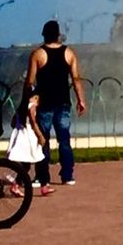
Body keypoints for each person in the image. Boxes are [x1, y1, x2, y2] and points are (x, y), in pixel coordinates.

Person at [24, 20, 86, 192]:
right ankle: (67, 175)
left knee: (42, 140)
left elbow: (29, 81)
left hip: (44, 103)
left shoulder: (38, 54)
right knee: (64, 139)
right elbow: (76, 79)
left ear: (44, 34)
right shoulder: (69, 53)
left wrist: (27, 102)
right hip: (64, 102)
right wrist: (81, 99)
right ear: (59, 35)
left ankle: (42, 177)